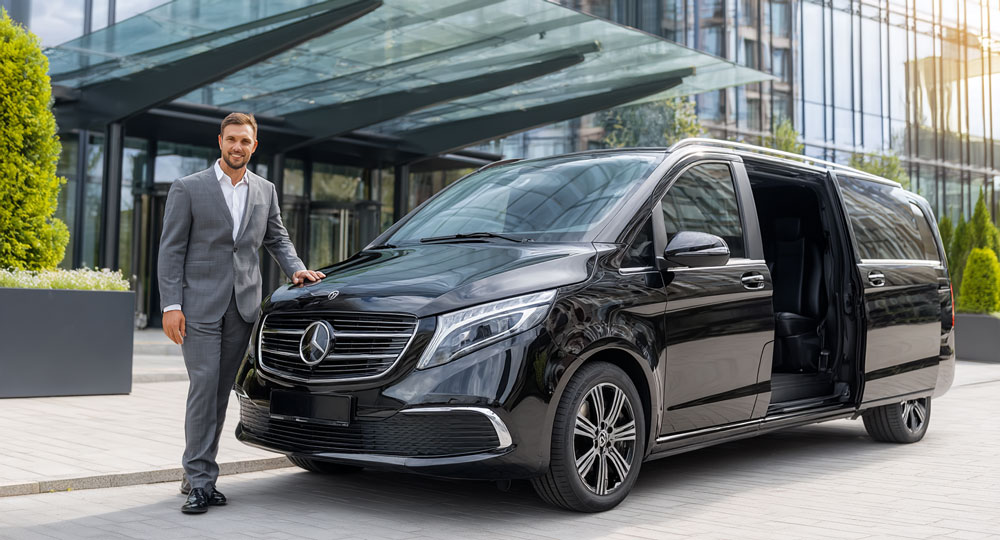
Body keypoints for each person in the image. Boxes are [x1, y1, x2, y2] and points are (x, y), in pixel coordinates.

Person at [158, 112, 325, 514]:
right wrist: (171, 305)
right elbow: (171, 250)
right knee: (204, 387)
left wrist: (296, 268)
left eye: (245, 141)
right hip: (197, 307)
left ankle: (195, 472)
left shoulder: (264, 190)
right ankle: (201, 481)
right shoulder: (188, 188)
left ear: (254, 146)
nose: (237, 147)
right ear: (220, 141)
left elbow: (277, 238)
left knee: (219, 392)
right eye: (231, 139)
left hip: (243, 306)